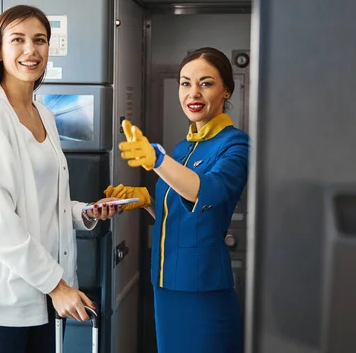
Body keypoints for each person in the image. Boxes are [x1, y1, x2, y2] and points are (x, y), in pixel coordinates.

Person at [0, 5, 118, 353]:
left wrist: (84, 213)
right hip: (1, 297)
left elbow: (42, 201)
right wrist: (57, 286)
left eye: (40, 40)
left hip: (39, 291)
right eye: (18, 40)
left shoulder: (43, 112)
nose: (31, 50)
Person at [105, 47, 249, 353]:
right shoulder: (184, 147)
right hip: (165, 283)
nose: (193, 93)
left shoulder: (236, 145)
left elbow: (206, 191)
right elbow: (185, 215)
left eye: (206, 83)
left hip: (202, 288)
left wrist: (158, 159)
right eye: (185, 83)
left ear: (226, 90)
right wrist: (146, 200)